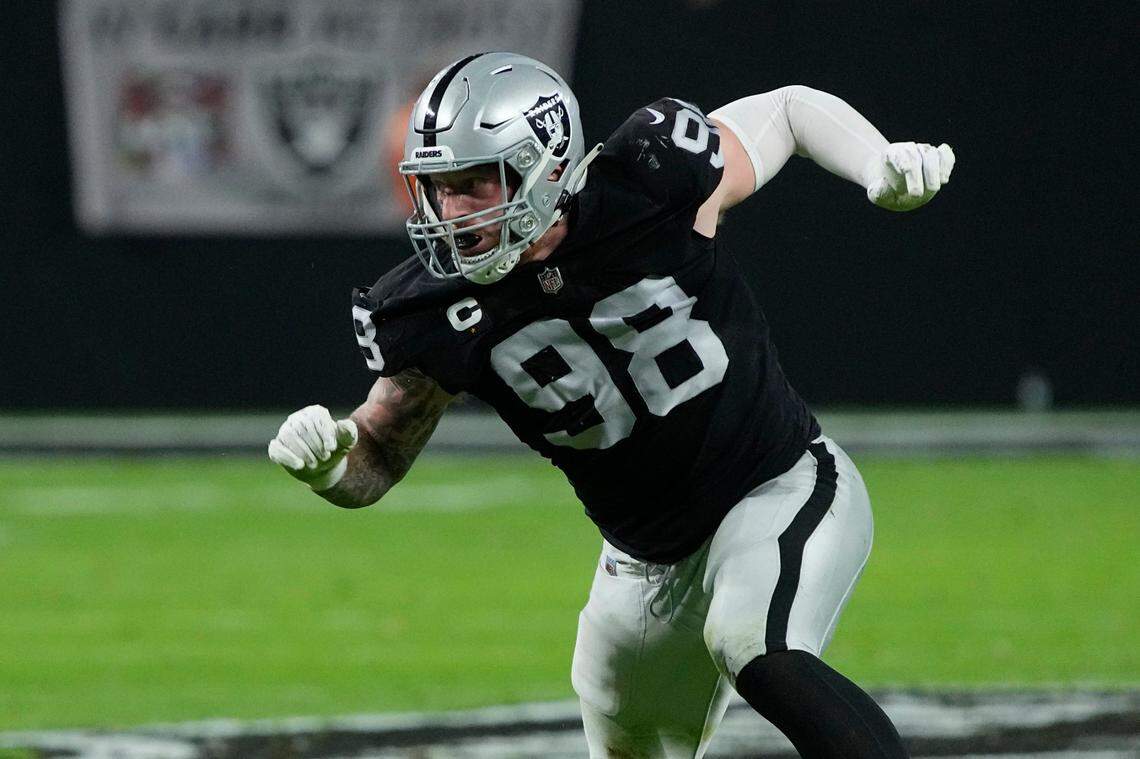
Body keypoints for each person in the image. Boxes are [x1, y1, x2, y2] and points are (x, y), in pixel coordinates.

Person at [269, 51, 954, 758]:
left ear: (545, 163)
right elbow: (377, 453)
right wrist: (329, 462)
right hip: (640, 564)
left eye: (473, 182)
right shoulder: (428, 308)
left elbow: (785, 109)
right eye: (436, 188)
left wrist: (876, 161)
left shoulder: (650, 178)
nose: (453, 212)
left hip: (777, 483)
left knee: (755, 643)